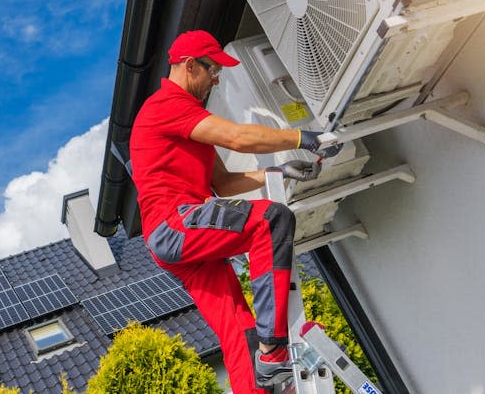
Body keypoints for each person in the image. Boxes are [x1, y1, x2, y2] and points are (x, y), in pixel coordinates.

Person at [129, 30, 341, 393]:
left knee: (237, 327)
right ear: (190, 65)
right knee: (271, 220)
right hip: (176, 224)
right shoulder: (167, 105)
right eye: (213, 70)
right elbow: (238, 138)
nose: (217, 78)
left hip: (176, 240)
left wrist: (276, 171)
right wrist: (302, 138)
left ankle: (255, 384)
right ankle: (272, 354)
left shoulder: (188, 121)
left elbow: (224, 184)